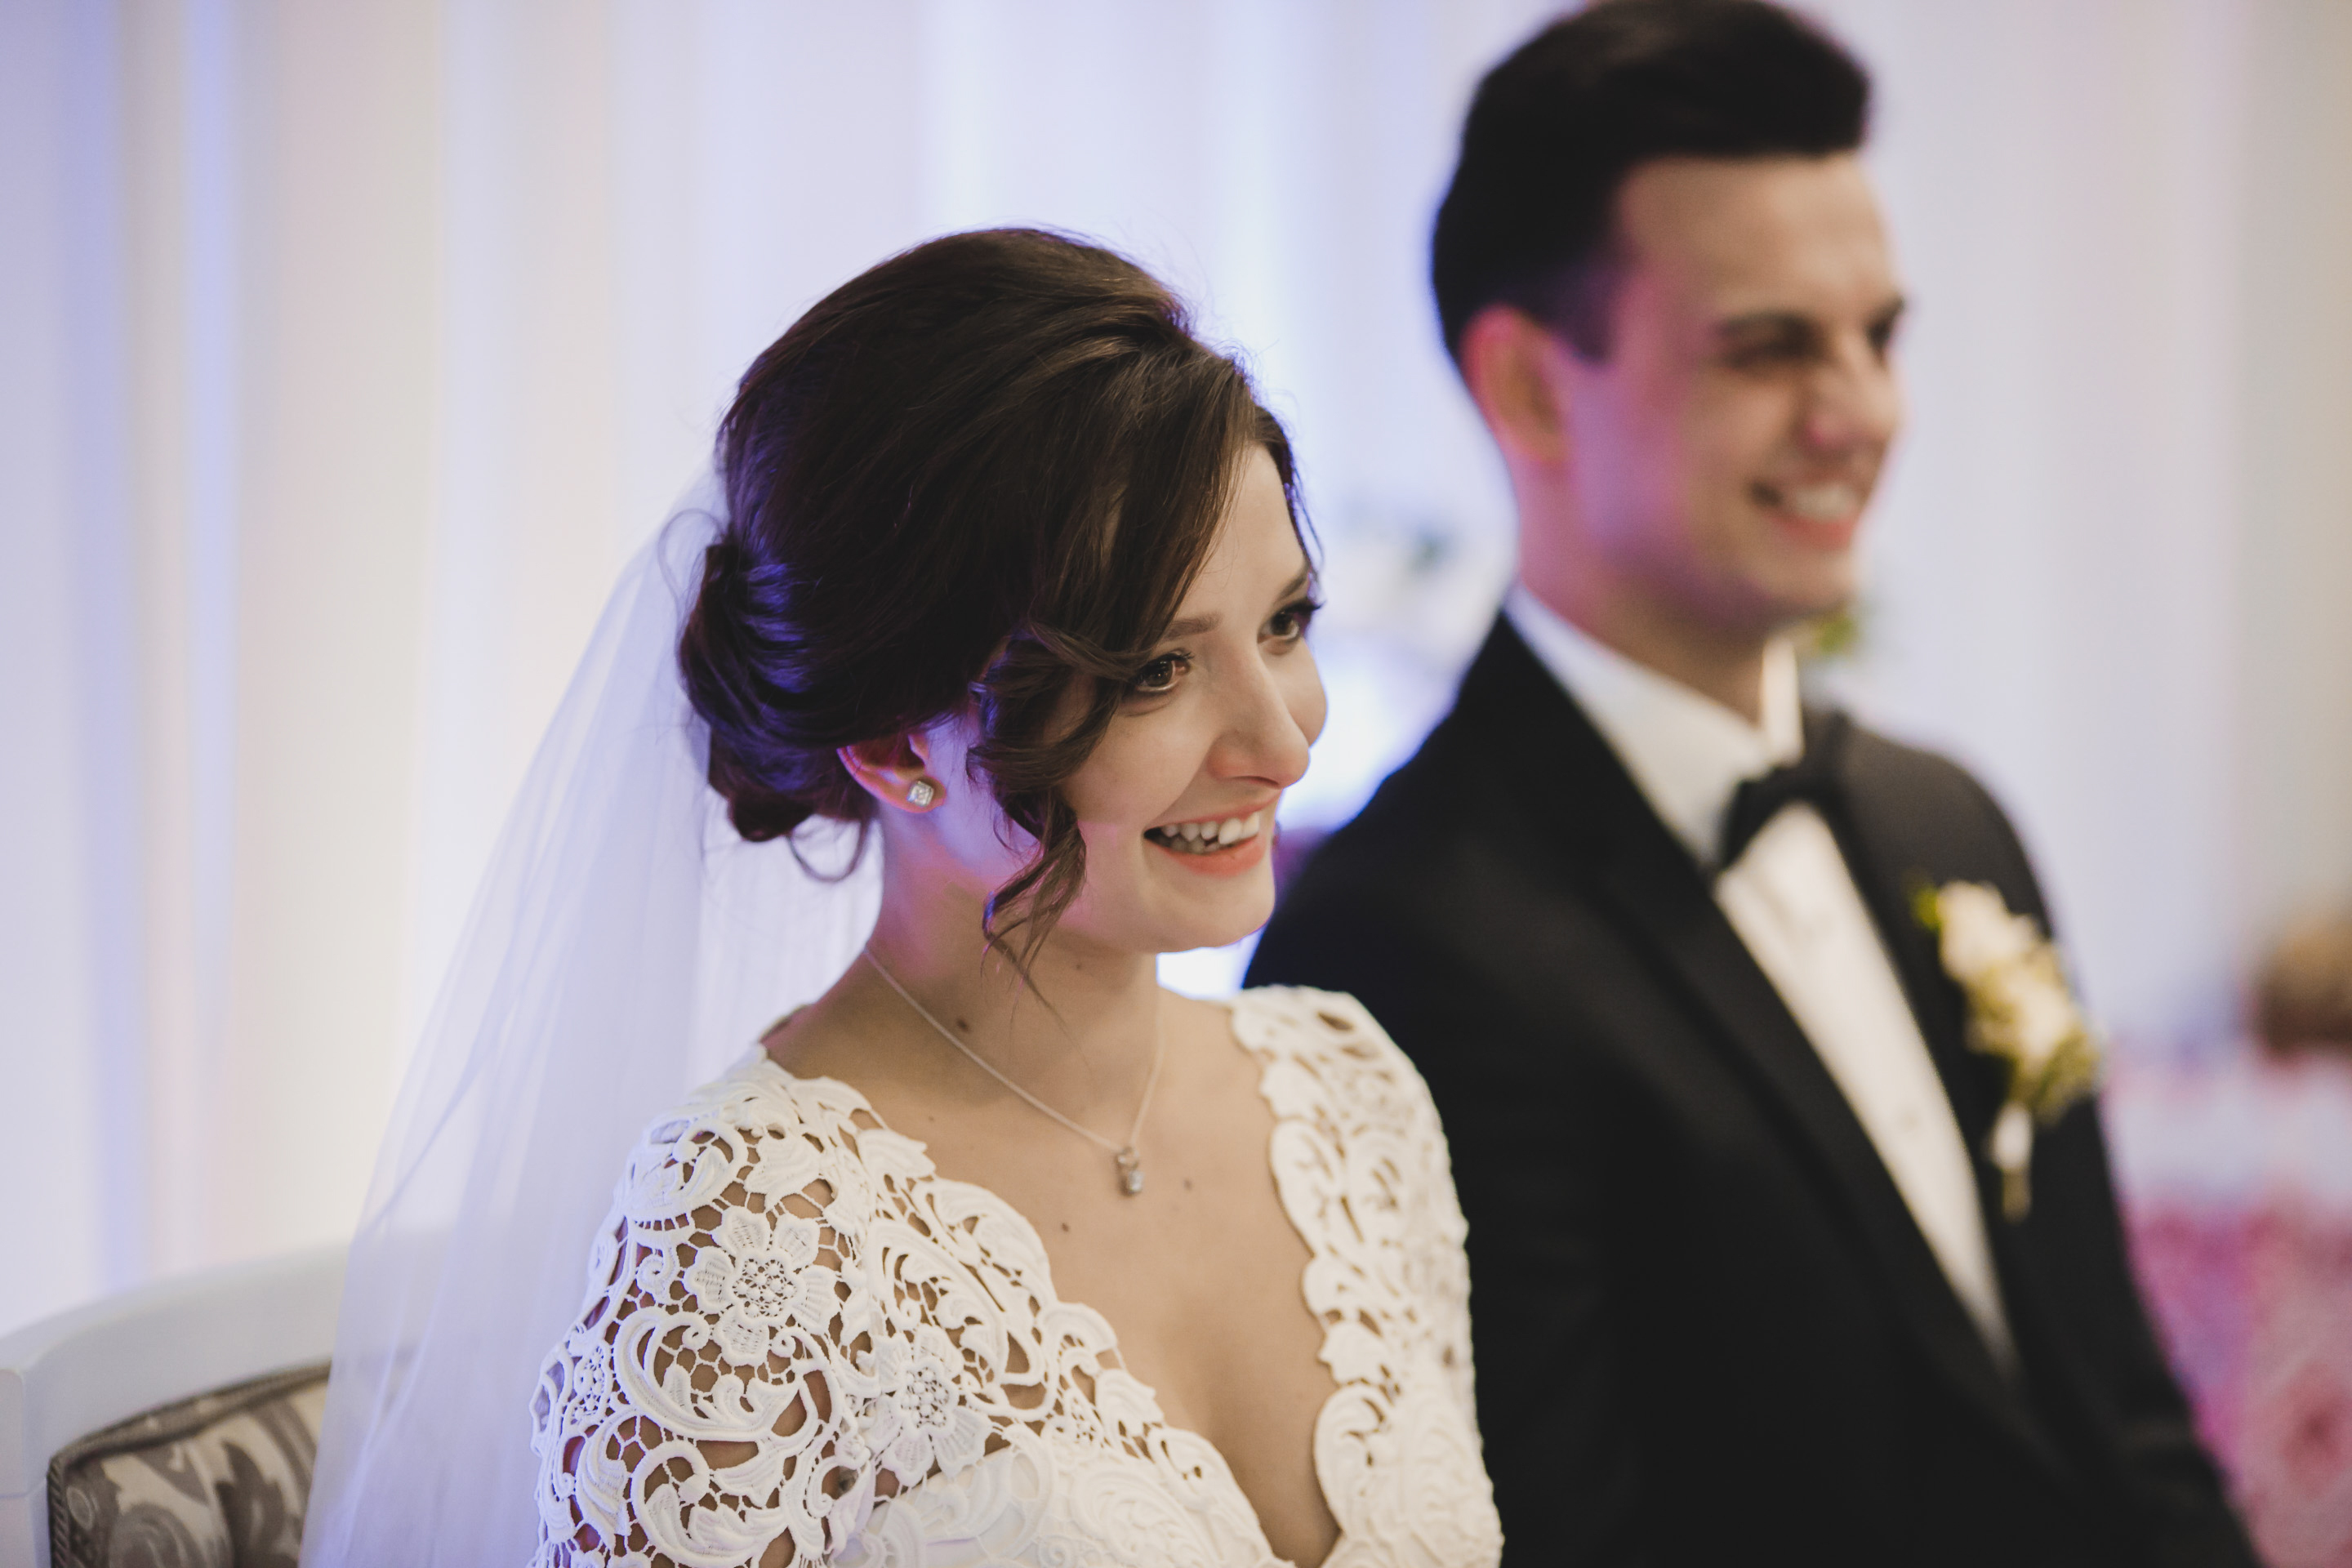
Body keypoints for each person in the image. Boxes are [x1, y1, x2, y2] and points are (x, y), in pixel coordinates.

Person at [303, 229, 1500, 1567]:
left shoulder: (1349, 1099)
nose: (1284, 742)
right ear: (890, 744)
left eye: (1284, 624)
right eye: (1158, 668)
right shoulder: (751, 1244)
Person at [1248, 4, 2256, 1565]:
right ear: (1526, 390)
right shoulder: (1394, 950)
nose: (1861, 410)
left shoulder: (1951, 823)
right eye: (1772, 346)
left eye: (1880, 333)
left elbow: (2121, 1415)